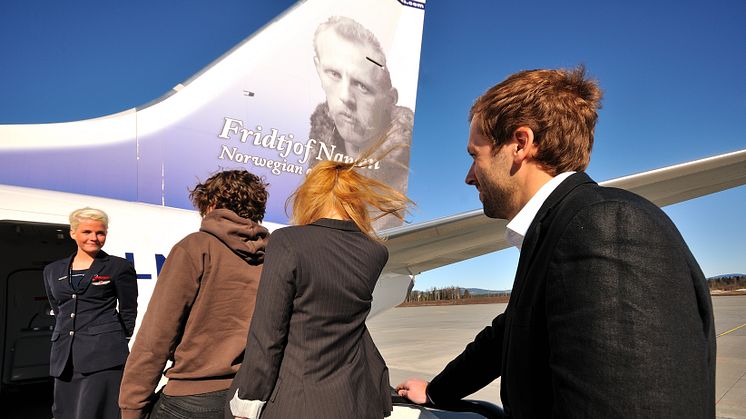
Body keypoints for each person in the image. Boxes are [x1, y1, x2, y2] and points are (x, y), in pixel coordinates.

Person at [396, 67, 716, 418]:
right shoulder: (561, 229)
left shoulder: (607, 227)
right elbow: (511, 331)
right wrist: (438, 390)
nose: (470, 176)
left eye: (476, 155)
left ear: (520, 144)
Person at [227, 158, 412, 419]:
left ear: (311, 195)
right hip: (354, 398)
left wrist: (247, 401)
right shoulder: (375, 252)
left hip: (298, 402)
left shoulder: (287, 242)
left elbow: (267, 334)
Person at [119, 170, 270, 419]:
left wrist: (132, 406)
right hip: (250, 399)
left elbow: (156, 336)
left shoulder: (195, 247)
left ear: (210, 204)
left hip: (191, 398)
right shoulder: (275, 255)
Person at [309, 16, 413, 229]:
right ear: (318, 69)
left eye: (362, 86)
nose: (345, 96)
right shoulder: (314, 159)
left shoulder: (396, 186)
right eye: (334, 74)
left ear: (389, 100)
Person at [43, 207, 138, 419]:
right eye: (87, 232)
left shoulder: (118, 267)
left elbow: (128, 309)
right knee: (64, 412)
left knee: (96, 412)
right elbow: (59, 309)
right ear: (73, 233)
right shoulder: (53, 270)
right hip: (65, 358)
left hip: (104, 356)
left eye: (100, 232)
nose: (94, 238)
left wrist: (115, 338)